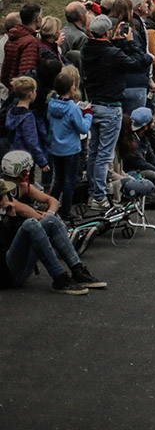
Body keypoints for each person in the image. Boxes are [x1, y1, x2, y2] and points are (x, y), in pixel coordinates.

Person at [1, 151, 105, 294]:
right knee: (32, 224)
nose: (4, 198)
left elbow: (52, 202)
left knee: (48, 220)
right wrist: (15, 218)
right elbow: (22, 215)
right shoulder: (10, 204)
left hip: (18, 263)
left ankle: (78, 270)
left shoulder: (17, 193)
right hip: (7, 273)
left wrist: (49, 215)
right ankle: (60, 278)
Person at [81, 14, 153, 211]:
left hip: (94, 105)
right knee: (105, 155)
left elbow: (108, 52)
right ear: (107, 32)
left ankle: (93, 194)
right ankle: (99, 196)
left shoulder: (88, 49)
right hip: (111, 107)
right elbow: (138, 62)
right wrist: (131, 44)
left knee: (94, 152)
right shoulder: (111, 54)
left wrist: (116, 42)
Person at [46, 67, 91, 217]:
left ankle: (51, 207)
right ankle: (66, 212)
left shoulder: (51, 105)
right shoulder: (73, 109)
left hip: (56, 148)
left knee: (58, 179)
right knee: (69, 182)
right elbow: (83, 128)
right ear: (72, 88)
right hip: (71, 149)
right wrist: (88, 114)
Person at [6, 77, 48, 190]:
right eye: (34, 91)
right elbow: (32, 141)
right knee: (26, 184)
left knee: (15, 183)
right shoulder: (28, 117)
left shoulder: (11, 112)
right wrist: (42, 162)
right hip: (26, 157)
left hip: (12, 153)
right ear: (30, 94)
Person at [2, 3, 42, 92]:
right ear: (37, 19)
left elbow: (5, 73)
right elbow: (27, 73)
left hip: (13, 90)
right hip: (24, 95)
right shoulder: (30, 41)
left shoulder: (12, 38)